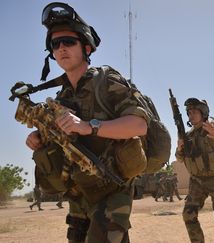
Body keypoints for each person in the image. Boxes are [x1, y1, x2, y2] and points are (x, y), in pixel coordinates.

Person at [25, 2, 149, 242]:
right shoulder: (61, 98)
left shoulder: (106, 81)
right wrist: (38, 140)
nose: (61, 48)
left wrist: (89, 125)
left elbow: (138, 125)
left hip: (112, 192)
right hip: (79, 196)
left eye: (69, 41)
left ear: (87, 47)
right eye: (55, 44)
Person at [176, 98, 214, 243]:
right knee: (188, 215)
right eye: (189, 112)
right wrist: (180, 149)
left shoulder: (213, 128)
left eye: (194, 112)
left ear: (203, 113)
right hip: (197, 181)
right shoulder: (188, 136)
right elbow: (179, 158)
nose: (191, 115)